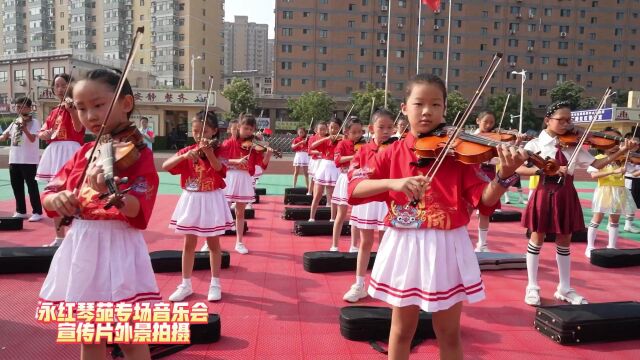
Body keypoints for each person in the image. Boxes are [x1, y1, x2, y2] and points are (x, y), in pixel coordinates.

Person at [348, 74, 528, 360]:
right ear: (404, 108)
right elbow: (354, 188)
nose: (427, 111)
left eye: (436, 104)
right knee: (401, 330)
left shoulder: (458, 155)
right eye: (418, 103)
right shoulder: (391, 152)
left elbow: (484, 200)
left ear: (444, 109)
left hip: (447, 246)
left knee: (448, 331)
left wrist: (505, 176)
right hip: (404, 245)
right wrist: (393, 183)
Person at [38, 69, 160, 360]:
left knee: (129, 337)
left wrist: (111, 191)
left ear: (126, 104)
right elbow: (50, 194)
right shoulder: (83, 153)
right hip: (83, 246)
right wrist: (60, 198)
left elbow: (138, 209)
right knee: (89, 336)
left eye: (98, 105)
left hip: (118, 246)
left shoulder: (138, 152)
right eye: (81, 108)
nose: (90, 115)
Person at [518, 101, 637, 306]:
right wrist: (545, 170)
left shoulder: (573, 145)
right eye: (561, 120)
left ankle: (564, 288)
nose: (566, 125)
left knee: (565, 241)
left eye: (569, 120)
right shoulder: (535, 144)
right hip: (544, 192)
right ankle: (532, 286)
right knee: (537, 238)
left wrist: (619, 152)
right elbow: (519, 169)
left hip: (566, 193)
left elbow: (596, 164)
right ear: (547, 120)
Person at [164, 110, 232, 302]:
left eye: (203, 131)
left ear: (213, 131)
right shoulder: (189, 151)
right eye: (195, 131)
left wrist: (209, 154)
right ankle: (185, 284)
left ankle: (215, 283)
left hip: (211, 198)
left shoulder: (220, 150)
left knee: (213, 243)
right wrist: (183, 157)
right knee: (189, 243)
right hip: (192, 198)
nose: (199, 135)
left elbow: (221, 170)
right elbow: (166, 166)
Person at [343, 108, 394, 303]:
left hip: (387, 201)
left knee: (385, 244)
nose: (386, 131)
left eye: (390, 127)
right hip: (367, 200)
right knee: (365, 243)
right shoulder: (363, 150)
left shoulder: (396, 149)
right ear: (372, 129)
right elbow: (354, 175)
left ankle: (383, 283)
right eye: (382, 127)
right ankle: (359, 284)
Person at [36, 73, 86, 246]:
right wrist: (46, 134)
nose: (60, 89)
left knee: (76, 194)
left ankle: (76, 235)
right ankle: (59, 237)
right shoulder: (54, 111)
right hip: (54, 151)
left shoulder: (78, 107)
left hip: (71, 150)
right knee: (54, 193)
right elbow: (42, 133)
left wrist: (72, 110)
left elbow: (79, 128)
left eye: (63, 85)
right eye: (56, 86)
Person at [218, 114, 273, 254]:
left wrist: (267, 155)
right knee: (221, 211)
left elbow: (262, 165)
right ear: (238, 127)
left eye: (251, 129)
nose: (248, 131)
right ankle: (211, 241)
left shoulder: (254, 146)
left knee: (240, 212)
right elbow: (219, 160)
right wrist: (235, 162)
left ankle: (239, 242)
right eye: (246, 128)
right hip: (229, 178)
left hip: (244, 178)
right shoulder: (228, 143)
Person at [585, 128, 638, 257]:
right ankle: (590, 246)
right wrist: (613, 171)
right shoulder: (598, 158)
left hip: (619, 192)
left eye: (618, 144)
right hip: (605, 191)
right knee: (597, 219)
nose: (615, 147)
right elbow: (593, 175)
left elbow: (634, 171)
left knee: (614, 221)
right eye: (611, 144)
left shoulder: (623, 159)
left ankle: (612, 246)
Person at [0, 97, 43, 222]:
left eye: (22, 107)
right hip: (14, 159)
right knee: (16, 186)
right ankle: (21, 211)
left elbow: (33, 139)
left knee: (32, 186)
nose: (20, 109)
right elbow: (4, 137)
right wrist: (3, 136)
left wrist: (24, 129)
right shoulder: (15, 122)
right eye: (18, 107)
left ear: (29, 108)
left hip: (28, 160)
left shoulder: (34, 122)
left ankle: (37, 211)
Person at [330, 117, 363, 252]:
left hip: (358, 179)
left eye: (360, 132)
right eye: (354, 132)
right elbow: (337, 160)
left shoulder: (364, 145)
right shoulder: (342, 144)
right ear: (346, 132)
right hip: (344, 178)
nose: (357, 135)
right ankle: (334, 245)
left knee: (356, 214)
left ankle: (354, 246)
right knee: (341, 214)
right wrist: (355, 156)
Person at [309, 118, 342, 221]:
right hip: (323, 167)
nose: (333, 130)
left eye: (336, 128)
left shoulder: (341, 141)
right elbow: (311, 147)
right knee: (317, 195)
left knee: (332, 196)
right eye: (331, 128)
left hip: (335, 168)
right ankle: (311, 217)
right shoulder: (325, 140)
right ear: (328, 127)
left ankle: (332, 219)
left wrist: (343, 138)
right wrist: (325, 139)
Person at [623, 130, 640, 233]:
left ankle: (628, 224)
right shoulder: (624, 156)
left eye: (638, 144)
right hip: (630, 181)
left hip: (637, 182)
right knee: (629, 204)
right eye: (634, 143)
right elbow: (634, 173)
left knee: (635, 204)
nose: (636, 145)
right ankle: (627, 225)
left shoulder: (637, 155)